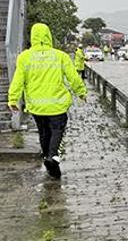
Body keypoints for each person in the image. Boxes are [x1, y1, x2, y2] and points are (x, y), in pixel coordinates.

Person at [7, 23, 87, 178]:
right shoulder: (60, 56)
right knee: (57, 131)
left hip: (36, 106)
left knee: (44, 133)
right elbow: (73, 78)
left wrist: (13, 99)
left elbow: (18, 80)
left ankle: (48, 160)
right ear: (49, 36)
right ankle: (52, 156)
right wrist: (81, 92)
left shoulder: (24, 57)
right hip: (57, 104)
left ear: (33, 37)